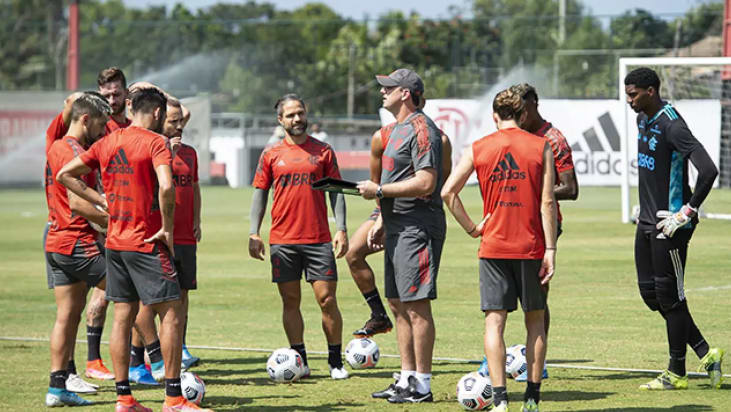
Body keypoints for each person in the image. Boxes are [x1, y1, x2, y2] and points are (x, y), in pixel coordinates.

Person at [57, 88, 211, 412]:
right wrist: (167, 227)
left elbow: (65, 174)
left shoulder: (107, 141)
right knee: (171, 314)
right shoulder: (156, 142)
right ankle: (173, 399)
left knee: (122, 316)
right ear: (156, 114)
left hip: (115, 242)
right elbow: (167, 186)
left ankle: (124, 399)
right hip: (146, 241)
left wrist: (100, 200)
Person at [442, 88, 557, 412]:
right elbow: (547, 201)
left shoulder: (478, 147)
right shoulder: (541, 146)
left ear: (495, 116)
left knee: (495, 322)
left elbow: (448, 192)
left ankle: (500, 400)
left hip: (492, 245)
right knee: (535, 321)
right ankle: (532, 399)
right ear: (522, 116)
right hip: (531, 245)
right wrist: (551, 248)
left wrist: (472, 227)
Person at [624, 67, 725, 391]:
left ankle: (676, 371)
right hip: (647, 222)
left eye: (633, 93)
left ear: (651, 91)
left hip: (671, 226)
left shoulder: (672, 124)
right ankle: (706, 352)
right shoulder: (643, 120)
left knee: (670, 296)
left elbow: (708, 169)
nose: (629, 99)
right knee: (651, 294)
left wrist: (688, 210)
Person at [475, 83, 578, 381]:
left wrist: (534, 190)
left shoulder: (552, 139)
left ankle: (537, 364)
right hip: (506, 222)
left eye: (524, 107)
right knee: (496, 302)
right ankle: (493, 361)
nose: (520, 114)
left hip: (540, 225)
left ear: (533, 104)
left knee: (537, 298)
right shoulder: (506, 136)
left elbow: (570, 188)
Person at [357, 68, 445, 403]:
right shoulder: (395, 131)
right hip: (397, 226)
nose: (383, 92)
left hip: (417, 226)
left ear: (405, 93)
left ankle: (422, 384)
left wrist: (379, 190)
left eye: (388, 87)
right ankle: (407, 378)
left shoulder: (422, 129)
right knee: (397, 304)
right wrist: (381, 214)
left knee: (416, 304)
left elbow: (426, 182)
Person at [248, 93, 349, 380]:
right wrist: (254, 232)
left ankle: (335, 361)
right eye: (290, 115)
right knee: (290, 301)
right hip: (283, 241)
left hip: (318, 239)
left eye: (300, 113)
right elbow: (259, 195)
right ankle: (299, 359)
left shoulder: (324, 151)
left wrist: (341, 228)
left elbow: (336, 192)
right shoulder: (271, 154)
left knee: (327, 299)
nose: (297, 119)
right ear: (280, 120)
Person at [347, 97, 451, 338]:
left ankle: (416, 367)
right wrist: (382, 216)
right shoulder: (380, 137)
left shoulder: (439, 140)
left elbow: (437, 183)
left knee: (413, 298)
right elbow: (376, 183)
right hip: (385, 205)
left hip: (417, 213)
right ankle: (378, 315)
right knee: (354, 252)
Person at [44, 92, 112, 407]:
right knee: (133, 294)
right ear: (84, 119)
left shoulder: (68, 148)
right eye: (100, 124)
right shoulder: (68, 149)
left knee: (68, 316)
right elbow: (76, 201)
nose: (102, 131)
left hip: (61, 242)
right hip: (75, 242)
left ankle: (57, 388)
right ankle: (147, 374)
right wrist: (116, 219)